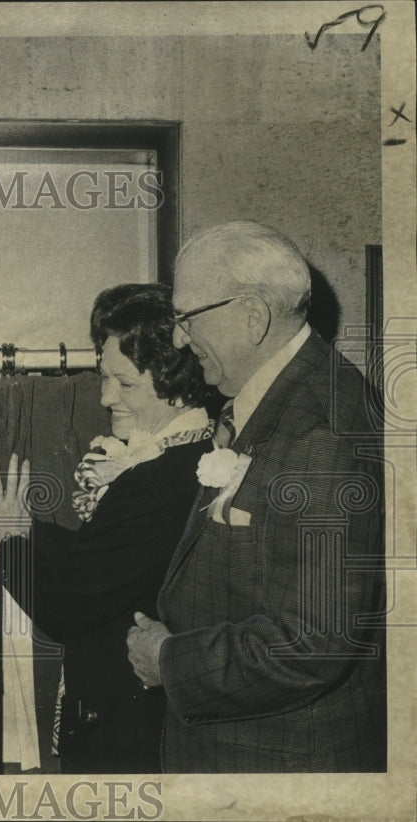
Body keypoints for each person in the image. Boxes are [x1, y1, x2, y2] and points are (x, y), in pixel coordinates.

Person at [127, 221, 386, 772]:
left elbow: (314, 642)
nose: (178, 338)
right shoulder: (273, 400)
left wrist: (170, 660)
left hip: (282, 760)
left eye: (187, 319)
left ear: (252, 316)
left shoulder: (322, 431)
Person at [0, 283, 218, 773]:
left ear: (177, 382)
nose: (105, 395)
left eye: (126, 383)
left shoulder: (157, 481)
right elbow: (109, 554)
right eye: (103, 376)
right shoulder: (188, 460)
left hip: (127, 731)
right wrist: (31, 530)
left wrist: (9, 541)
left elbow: (67, 606)